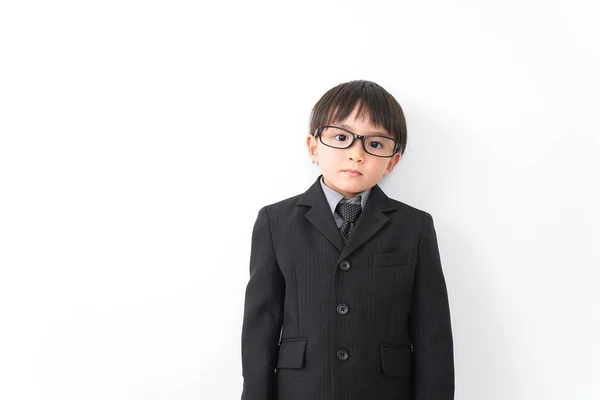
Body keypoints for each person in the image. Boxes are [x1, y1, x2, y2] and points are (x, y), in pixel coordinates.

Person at [240, 80, 454, 400]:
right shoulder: (275, 222)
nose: (356, 155)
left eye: (375, 144)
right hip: (301, 389)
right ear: (314, 147)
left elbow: (433, 334)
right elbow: (260, 326)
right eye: (342, 137)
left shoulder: (415, 227)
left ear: (392, 162)